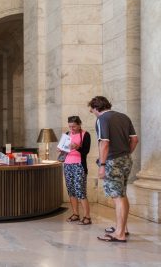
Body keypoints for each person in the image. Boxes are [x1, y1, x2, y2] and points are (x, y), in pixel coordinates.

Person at [88, 96, 138, 243]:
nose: (93, 113)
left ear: (97, 108)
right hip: (126, 159)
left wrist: (102, 166)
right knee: (122, 194)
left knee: (118, 197)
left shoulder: (102, 119)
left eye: (92, 110)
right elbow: (134, 140)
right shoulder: (124, 117)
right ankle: (123, 228)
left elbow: (104, 143)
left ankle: (120, 234)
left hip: (111, 161)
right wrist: (125, 153)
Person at [59, 116, 92, 225]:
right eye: (70, 126)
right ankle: (75, 214)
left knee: (80, 191)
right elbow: (62, 149)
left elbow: (86, 151)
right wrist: (60, 148)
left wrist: (77, 147)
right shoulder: (67, 134)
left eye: (74, 126)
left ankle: (87, 217)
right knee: (71, 190)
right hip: (67, 164)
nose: (72, 129)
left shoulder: (85, 135)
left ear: (79, 124)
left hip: (79, 165)